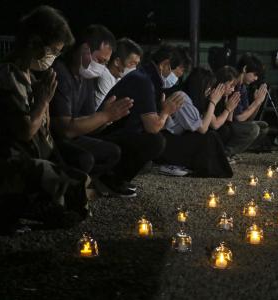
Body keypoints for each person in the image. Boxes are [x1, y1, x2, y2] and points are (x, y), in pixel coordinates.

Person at [0, 6, 89, 234]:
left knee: (76, 173)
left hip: (18, 161)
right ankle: (5, 212)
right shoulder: (6, 76)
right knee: (68, 183)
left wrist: (44, 105)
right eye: (53, 50)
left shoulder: (26, 76)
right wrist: (43, 101)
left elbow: (45, 136)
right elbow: (25, 132)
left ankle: (36, 208)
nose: (54, 58)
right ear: (33, 43)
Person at [50, 25, 134, 197]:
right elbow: (65, 129)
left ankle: (82, 185)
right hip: (52, 139)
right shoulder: (60, 72)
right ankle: (63, 193)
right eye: (101, 60)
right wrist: (104, 115)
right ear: (84, 49)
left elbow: (89, 123)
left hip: (73, 135)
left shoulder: (84, 77)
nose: (102, 67)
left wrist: (107, 118)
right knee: (84, 158)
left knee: (113, 152)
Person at [96, 44, 185, 192]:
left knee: (155, 140)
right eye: (175, 73)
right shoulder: (143, 80)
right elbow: (153, 126)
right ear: (165, 64)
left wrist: (163, 112)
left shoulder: (147, 77)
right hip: (106, 133)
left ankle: (118, 178)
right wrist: (166, 112)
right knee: (155, 141)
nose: (174, 78)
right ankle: (112, 178)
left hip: (119, 131)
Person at [156, 67, 233, 177]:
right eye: (209, 87)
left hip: (173, 139)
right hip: (167, 143)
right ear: (200, 86)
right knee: (208, 136)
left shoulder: (192, 99)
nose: (210, 91)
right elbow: (202, 129)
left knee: (213, 135)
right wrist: (213, 102)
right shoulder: (182, 97)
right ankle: (172, 164)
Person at [227, 53, 269, 155]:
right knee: (253, 129)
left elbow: (248, 118)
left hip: (235, 124)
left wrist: (258, 103)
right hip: (226, 124)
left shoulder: (243, 87)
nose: (256, 79)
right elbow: (239, 118)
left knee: (263, 127)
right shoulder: (233, 85)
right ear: (245, 69)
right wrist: (256, 102)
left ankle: (234, 151)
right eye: (255, 74)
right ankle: (226, 153)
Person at [94, 37, 143, 109]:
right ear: (117, 62)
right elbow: (102, 111)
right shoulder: (104, 76)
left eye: (136, 64)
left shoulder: (119, 78)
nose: (134, 69)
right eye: (132, 63)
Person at [211, 66, 242, 162]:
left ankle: (225, 153)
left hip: (217, 131)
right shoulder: (212, 95)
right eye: (231, 86)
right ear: (221, 83)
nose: (233, 90)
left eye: (234, 87)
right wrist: (228, 109)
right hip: (208, 134)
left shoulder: (224, 96)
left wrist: (231, 107)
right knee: (225, 129)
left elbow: (229, 121)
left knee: (230, 128)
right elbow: (214, 125)